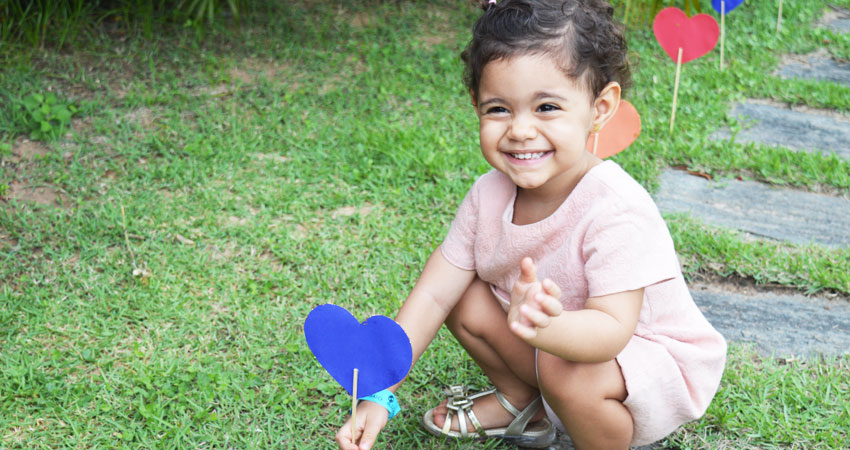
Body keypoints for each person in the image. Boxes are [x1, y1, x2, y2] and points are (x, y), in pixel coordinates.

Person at [336, 0, 727, 448]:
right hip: (550, 345)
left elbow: (611, 331)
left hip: (639, 363)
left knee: (565, 367)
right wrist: (378, 393)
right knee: (461, 290)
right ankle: (521, 401)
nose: (520, 130)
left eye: (546, 107)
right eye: (499, 109)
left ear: (600, 107)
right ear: (475, 105)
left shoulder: (616, 209)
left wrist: (550, 331)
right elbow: (432, 294)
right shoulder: (488, 195)